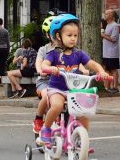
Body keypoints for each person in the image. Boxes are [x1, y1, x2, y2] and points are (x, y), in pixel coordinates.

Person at [36, 14, 112, 146]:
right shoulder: (54, 53)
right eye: (69, 35)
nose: (73, 39)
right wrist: (50, 68)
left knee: (84, 112)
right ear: (59, 36)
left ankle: (81, 141)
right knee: (57, 106)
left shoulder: (78, 54)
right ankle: (46, 129)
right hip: (57, 89)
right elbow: (44, 65)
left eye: (75, 36)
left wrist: (101, 71)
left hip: (73, 90)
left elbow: (92, 64)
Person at [31, 14, 59, 134]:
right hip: (45, 81)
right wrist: (40, 70)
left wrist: (83, 70)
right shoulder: (44, 49)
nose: (56, 36)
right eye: (52, 34)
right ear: (48, 35)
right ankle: (38, 118)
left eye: (58, 33)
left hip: (61, 81)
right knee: (47, 95)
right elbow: (39, 62)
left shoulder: (66, 48)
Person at [100, 8, 120, 95]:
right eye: (105, 13)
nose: (105, 15)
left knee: (113, 69)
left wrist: (103, 35)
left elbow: (114, 38)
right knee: (107, 70)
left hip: (112, 52)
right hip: (106, 52)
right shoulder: (107, 25)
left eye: (107, 14)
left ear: (112, 16)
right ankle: (107, 86)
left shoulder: (115, 25)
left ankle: (115, 87)